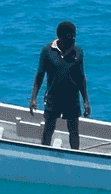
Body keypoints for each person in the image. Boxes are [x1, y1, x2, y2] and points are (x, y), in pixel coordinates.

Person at [29, 20, 90, 149]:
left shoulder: (78, 52)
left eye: (74, 35)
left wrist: (85, 101)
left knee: (74, 131)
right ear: (61, 37)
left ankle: (75, 155)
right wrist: (33, 98)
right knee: (49, 129)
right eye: (70, 35)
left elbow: (81, 78)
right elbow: (40, 75)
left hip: (72, 98)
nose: (73, 38)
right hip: (53, 97)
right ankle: (44, 152)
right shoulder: (47, 51)